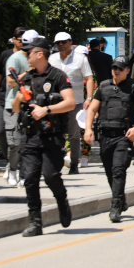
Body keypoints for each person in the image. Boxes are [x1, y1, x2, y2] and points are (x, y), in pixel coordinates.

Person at [11, 37, 75, 236]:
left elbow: (70, 103)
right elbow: (14, 109)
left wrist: (46, 109)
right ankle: (35, 222)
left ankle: (62, 203)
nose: (26, 55)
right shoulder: (26, 78)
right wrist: (19, 97)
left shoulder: (57, 76)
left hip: (52, 136)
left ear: (40, 54)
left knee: (50, 176)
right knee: (29, 179)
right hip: (30, 136)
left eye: (29, 52)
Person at [83, 56, 134, 222]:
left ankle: (115, 206)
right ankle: (121, 199)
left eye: (120, 68)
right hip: (105, 136)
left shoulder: (133, 87)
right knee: (109, 171)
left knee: (119, 170)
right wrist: (88, 129)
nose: (116, 71)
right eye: (114, 68)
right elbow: (91, 110)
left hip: (123, 136)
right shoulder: (103, 87)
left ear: (127, 70)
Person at [48, 31, 94, 174]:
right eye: (58, 43)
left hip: (76, 101)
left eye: (63, 42)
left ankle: (74, 164)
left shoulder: (80, 58)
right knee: (55, 132)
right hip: (56, 102)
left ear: (70, 42)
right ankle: (56, 163)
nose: (60, 45)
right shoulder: (52, 59)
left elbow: (89, 78)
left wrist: (89, 98)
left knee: (73, 135)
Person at [3, 27, 29, 186]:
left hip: (30, 106)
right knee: (14, 142)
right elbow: (10, 82)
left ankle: (24, 172)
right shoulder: (15, 58)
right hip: (13, 105)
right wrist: (27, 73)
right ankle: (12, 169)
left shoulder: (39, 60)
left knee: (28, 142)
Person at [0, 28, 23, 170]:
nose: (22, 42)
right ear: (14, 39)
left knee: (17, 134)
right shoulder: (5, 55)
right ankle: (11, 160)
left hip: (21, 101)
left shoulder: (29, 56)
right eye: (20, 39)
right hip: (3, 99)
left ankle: (15, 164)